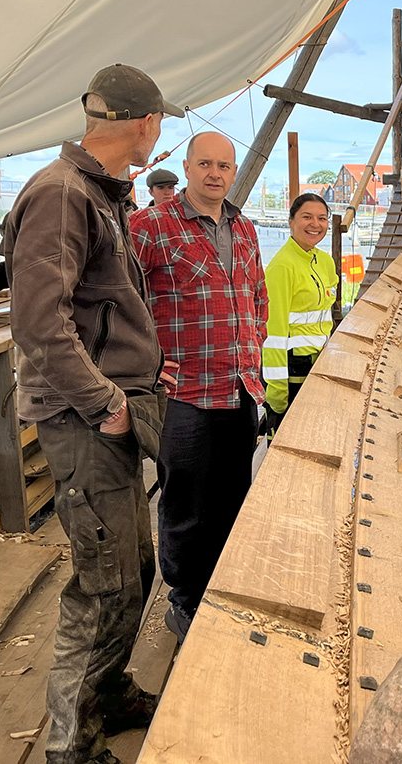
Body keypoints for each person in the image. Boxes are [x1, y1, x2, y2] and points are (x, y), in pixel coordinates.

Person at [0, 63, 182, 764]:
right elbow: (40, 323)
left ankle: (108, 694)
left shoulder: (97, 194)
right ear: (146, 123)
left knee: (130, 563)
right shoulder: (61, 194)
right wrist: (104, 401)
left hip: (110, 410)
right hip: (87, 418)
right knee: (101, 581)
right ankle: (71, 745)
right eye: (159, 126)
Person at [129, 131, 267, 643]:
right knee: (186, 502)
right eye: (205, 163)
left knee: (233, 496)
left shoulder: (246, 229)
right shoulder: (148, 228)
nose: (215, 173)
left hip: (238, 389)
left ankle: (222, 591)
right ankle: (185, 602)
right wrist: (147, 369)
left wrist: (249, 350)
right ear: (186, 168)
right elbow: (119, 303)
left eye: (224, 166)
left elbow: (256, 297)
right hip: (182, 394)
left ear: (233, 173)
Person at [261, 193, 338, 432]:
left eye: (322, 218)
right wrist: (277, 392)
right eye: (307, 217)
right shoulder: (282, 267)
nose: (315, 224)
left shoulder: (324, 261)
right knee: (290, 436)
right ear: (291, 221)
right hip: (294, 369)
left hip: (321, 361)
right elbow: (273, 332)